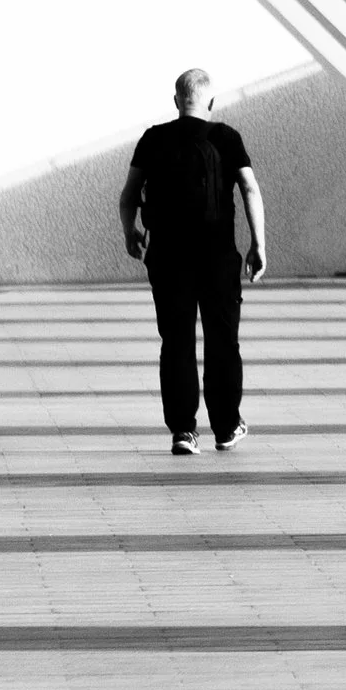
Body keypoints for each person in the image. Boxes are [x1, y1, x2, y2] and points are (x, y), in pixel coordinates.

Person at [116, 68, 266, 456]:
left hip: (167, 257)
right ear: (211, 103)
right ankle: (226, 427)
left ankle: (183, 431)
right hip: (218, 256)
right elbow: (249, 186)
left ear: (176, 102)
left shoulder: (153, 138)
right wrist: (258, 243)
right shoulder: (226, 138)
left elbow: (128, 194)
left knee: (176, 341)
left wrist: (129, 230)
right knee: (223, 341)